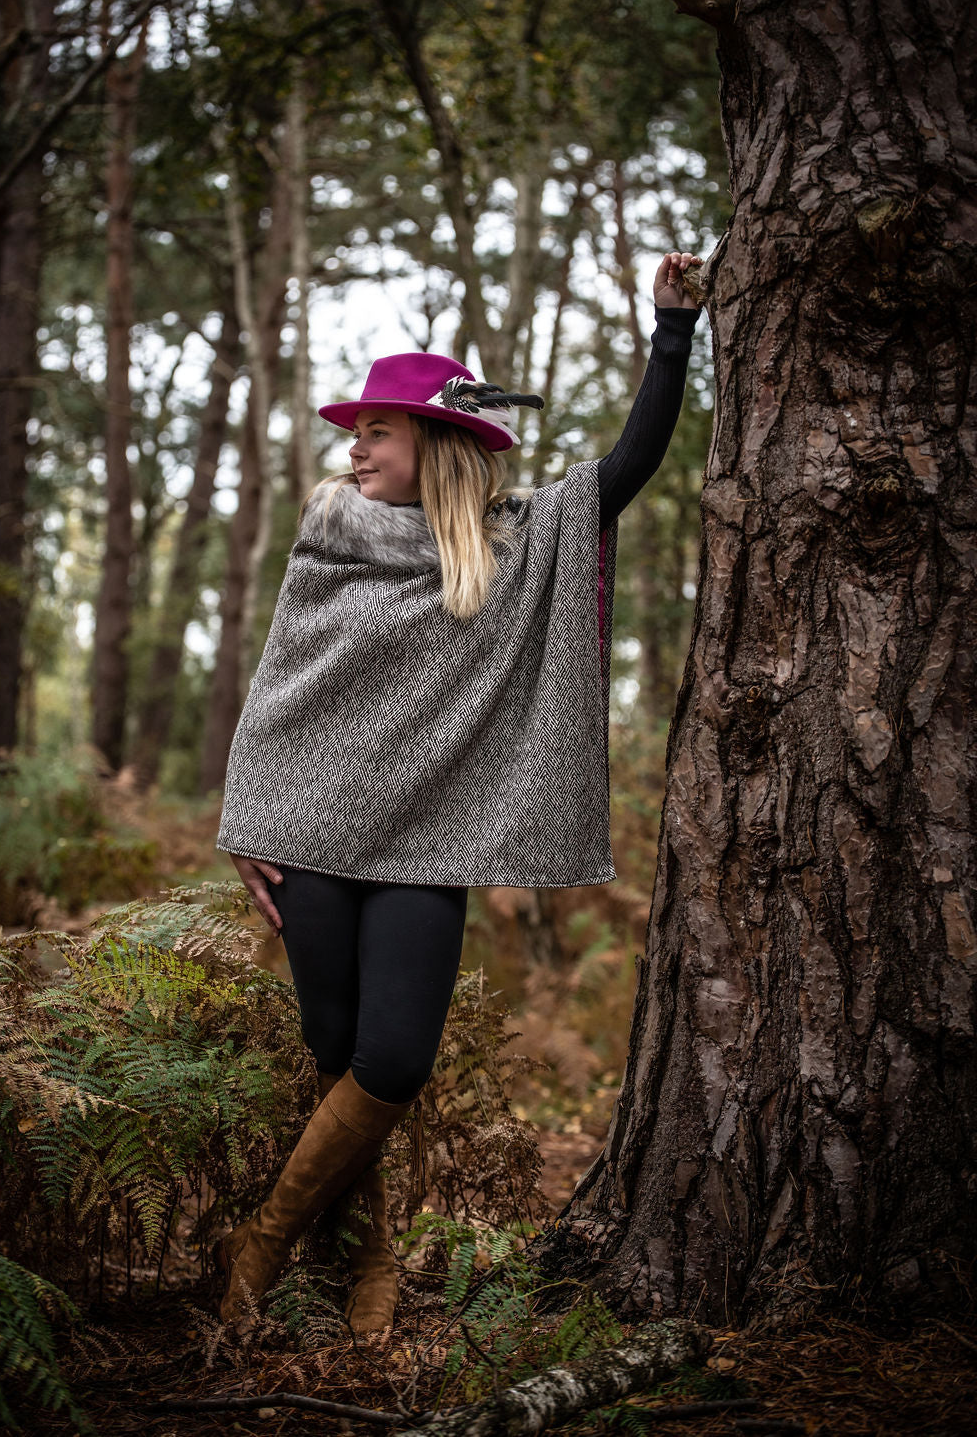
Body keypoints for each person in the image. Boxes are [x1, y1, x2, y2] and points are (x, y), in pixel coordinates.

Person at [213, 250, 703, 1335]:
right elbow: (278, 686)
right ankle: (370, 1259)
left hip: (426, 838)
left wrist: (671, 330)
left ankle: (265, 1239)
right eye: (356, 432)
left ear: (433, 441)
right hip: (307, 825)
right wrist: (246, 819)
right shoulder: (329, 531)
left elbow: (625, 466)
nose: (356, 448)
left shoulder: (515, 541)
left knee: (391, 1059)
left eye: (376, 432)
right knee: (334, 1050)